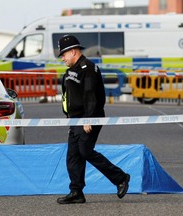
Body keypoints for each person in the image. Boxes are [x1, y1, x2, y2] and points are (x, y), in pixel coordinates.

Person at [57, 35, 130, 204]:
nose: (62, 58)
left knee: (85, 151)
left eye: (64, 54)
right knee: (73, 156)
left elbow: (90, 96)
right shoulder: (69, 72)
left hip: (89, 118)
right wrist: (69, 119)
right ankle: (76, 192)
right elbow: (67, 98)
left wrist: (88, 119)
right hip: (75, 120)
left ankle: (120, 178)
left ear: (73, 51)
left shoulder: (88, 68)